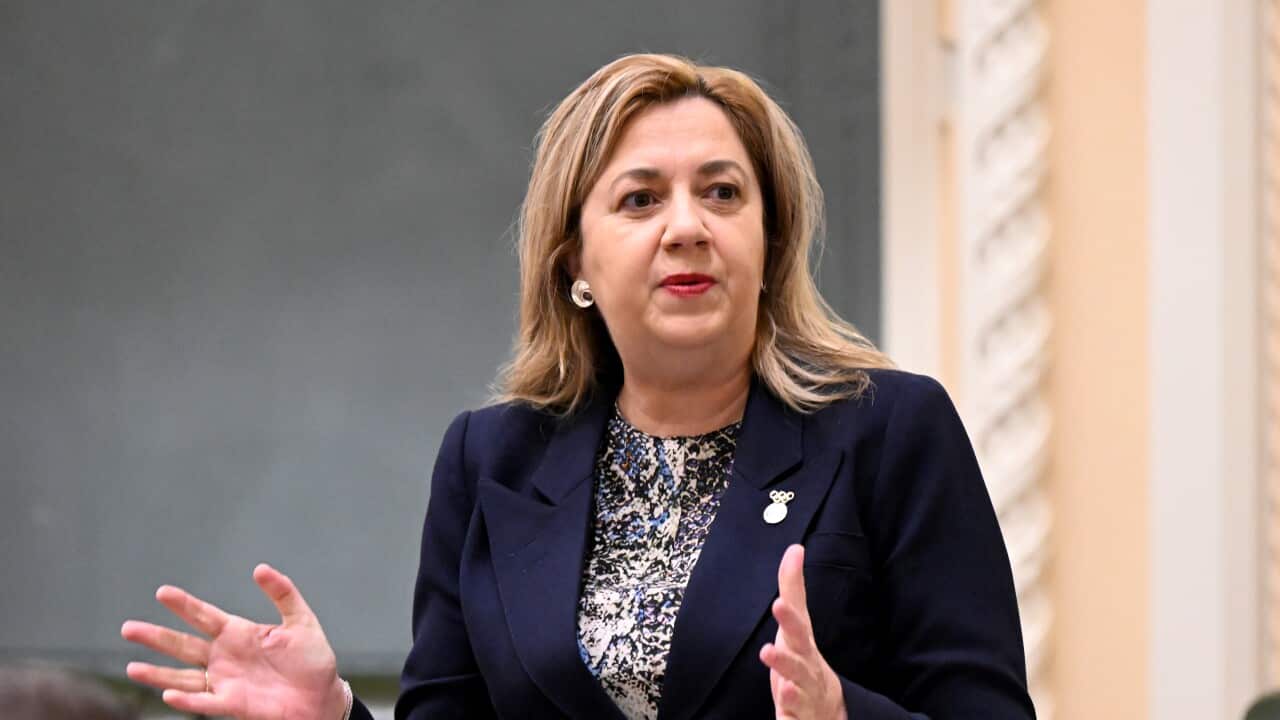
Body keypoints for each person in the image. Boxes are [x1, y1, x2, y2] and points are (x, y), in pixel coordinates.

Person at [121, 53, 1035, 719]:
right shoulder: (491, 459)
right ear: (576, 267)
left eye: (722, 193)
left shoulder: (889, 431)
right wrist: (333, 718)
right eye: (640, 200)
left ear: (771, 244)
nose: (688, 227)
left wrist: (841, 716)